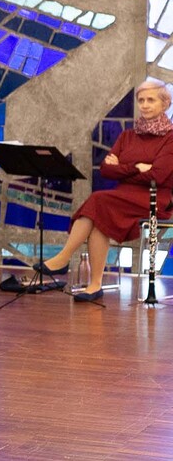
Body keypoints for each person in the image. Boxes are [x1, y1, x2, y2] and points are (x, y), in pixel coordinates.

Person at [34, 78, 173, 303]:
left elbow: (157, 176)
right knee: (99, 218)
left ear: (165, 104)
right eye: (141, 100)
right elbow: (106, 170)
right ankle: (94, 285)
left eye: (151, 100)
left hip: (154, 198)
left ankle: (64, 257)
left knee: (98, 200)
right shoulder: (127, 136)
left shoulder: (170, 138)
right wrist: (136, 167)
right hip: (121, 197)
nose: (145, 105)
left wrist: (122, 168)